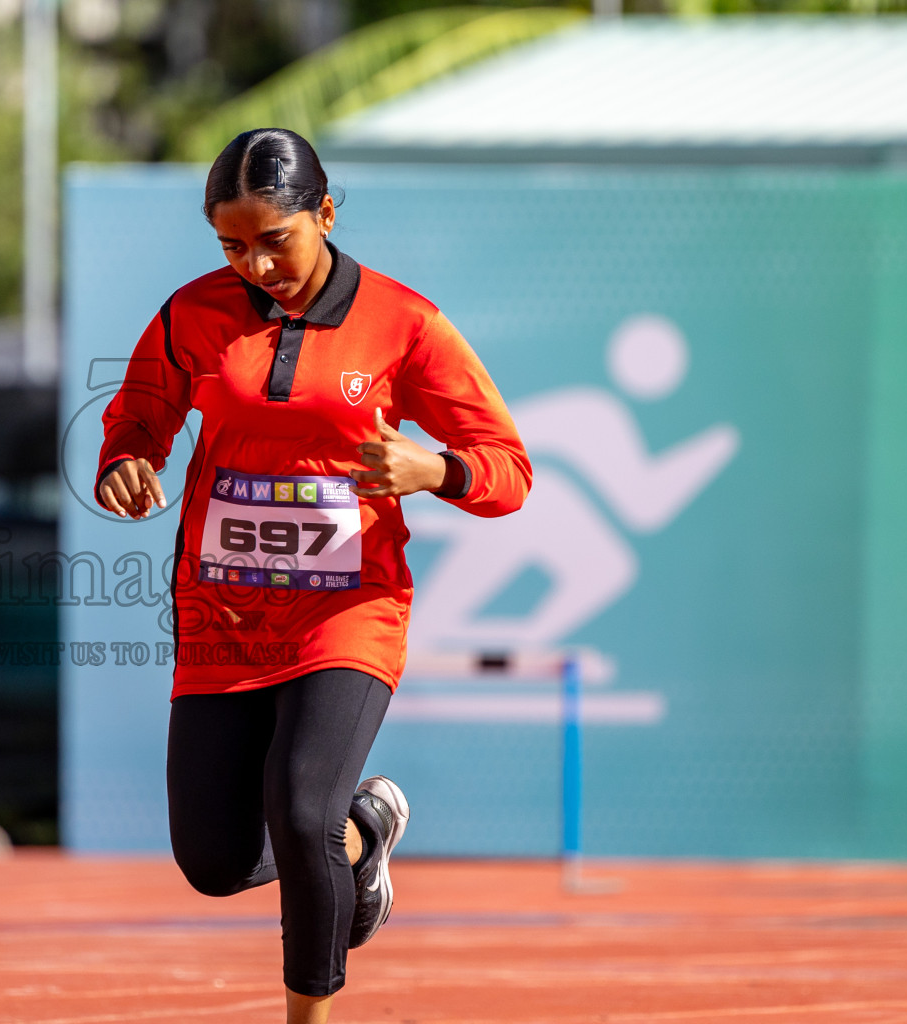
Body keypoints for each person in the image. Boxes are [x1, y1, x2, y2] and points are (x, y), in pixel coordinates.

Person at [94, 128, 531, 1024]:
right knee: (214, 862)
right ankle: (363, 831)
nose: (254, 263)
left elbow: (508, 469)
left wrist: (433, 471)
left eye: (274, 240)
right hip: (222, 616)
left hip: (347, 614)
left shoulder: (405, 323)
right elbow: (138, 419)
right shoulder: (192, 315)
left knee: (298, 812)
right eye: (231, 245)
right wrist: (125, 465)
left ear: (325, 214)